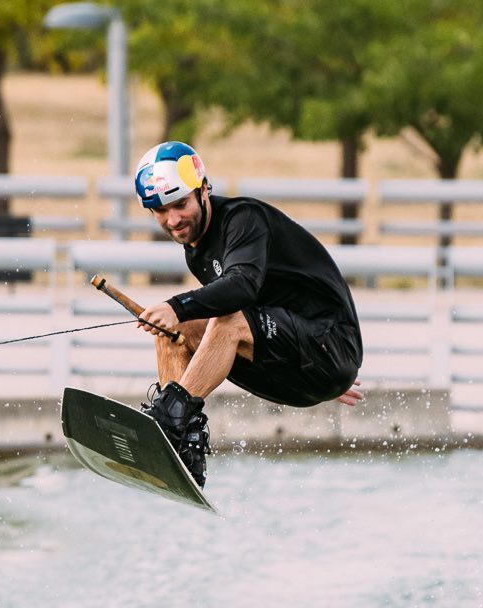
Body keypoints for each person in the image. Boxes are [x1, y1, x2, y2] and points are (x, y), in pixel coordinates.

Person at [130, 140, 363, 487]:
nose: (173, 220)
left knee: (225, 320)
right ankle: (182, 447)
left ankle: (167, 420)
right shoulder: (195, 248)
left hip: (330, 346)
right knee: (176, 332)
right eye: (160, 211)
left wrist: (176, 306)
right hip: (298, 363)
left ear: (203, 190)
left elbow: (242, 288)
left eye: (180, 204)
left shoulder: (243, 220)